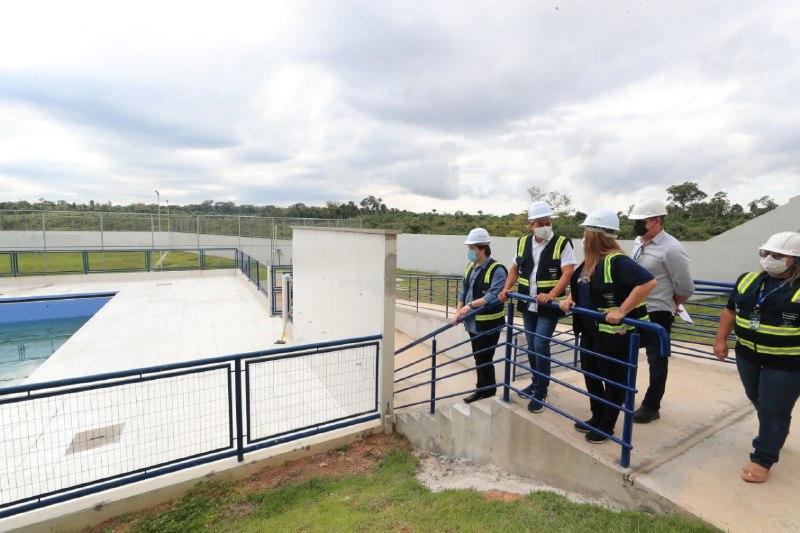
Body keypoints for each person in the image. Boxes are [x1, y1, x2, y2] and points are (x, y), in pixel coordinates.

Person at [559, 208, 656, 443]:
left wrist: (622, 310)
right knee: (591, 375)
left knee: (613, 381)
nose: (583, 238)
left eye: (586, 233)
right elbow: (581, 286)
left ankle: (607, 425)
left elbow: (648, 282)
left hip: (614, 335)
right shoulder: (590, 262)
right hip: (590, 332)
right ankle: (597, 416)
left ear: (596, 235)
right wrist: (570, 298)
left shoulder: (617, 261)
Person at [714, 231, 800, 483]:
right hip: (748, 355)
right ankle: (775, 435)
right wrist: (720, 340)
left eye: (777, 255)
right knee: (759, 399)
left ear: (795, 260)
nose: (768, 258)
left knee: (773, 408)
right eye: (765, 253)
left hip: (787, 363)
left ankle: (763, 457)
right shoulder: (747, 280)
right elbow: (730, 311)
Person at [499, 200, 577, 413]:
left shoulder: (562, 243)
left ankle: (541, 391)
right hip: (527, 303)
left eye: (547, 222)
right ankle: (535, 382)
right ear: (531, 225)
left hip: (548, 306)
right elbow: (514, 268)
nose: (544, 226)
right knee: (531, 346)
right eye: (540, 223)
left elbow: (568, 272)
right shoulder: (523, 242)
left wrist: (551, 295)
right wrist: (506, 288)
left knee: (540, 344)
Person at [628, 199, 695, 423]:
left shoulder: (672, 249)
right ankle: (623, 394)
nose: (637, 225)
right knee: (625, 352)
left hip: (657, 312)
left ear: (657, 220)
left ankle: (651, 406)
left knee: (657, 360)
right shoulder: (639, 242)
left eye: (642, 221)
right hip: (635, 309)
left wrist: (670, 304)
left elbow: (685, 287)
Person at [452, 228, 508, 403]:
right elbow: (464, 289)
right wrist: (458, 310)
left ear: (482, 249)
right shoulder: (470, 266)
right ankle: (481, 389)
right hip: (473, 323)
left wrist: (469, 306)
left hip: (489, 324)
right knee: (478, 357)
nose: (469, 251)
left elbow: (493, 295)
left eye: (472, 248)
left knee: (484, 358)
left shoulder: (497, 269)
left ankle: (488, 393)